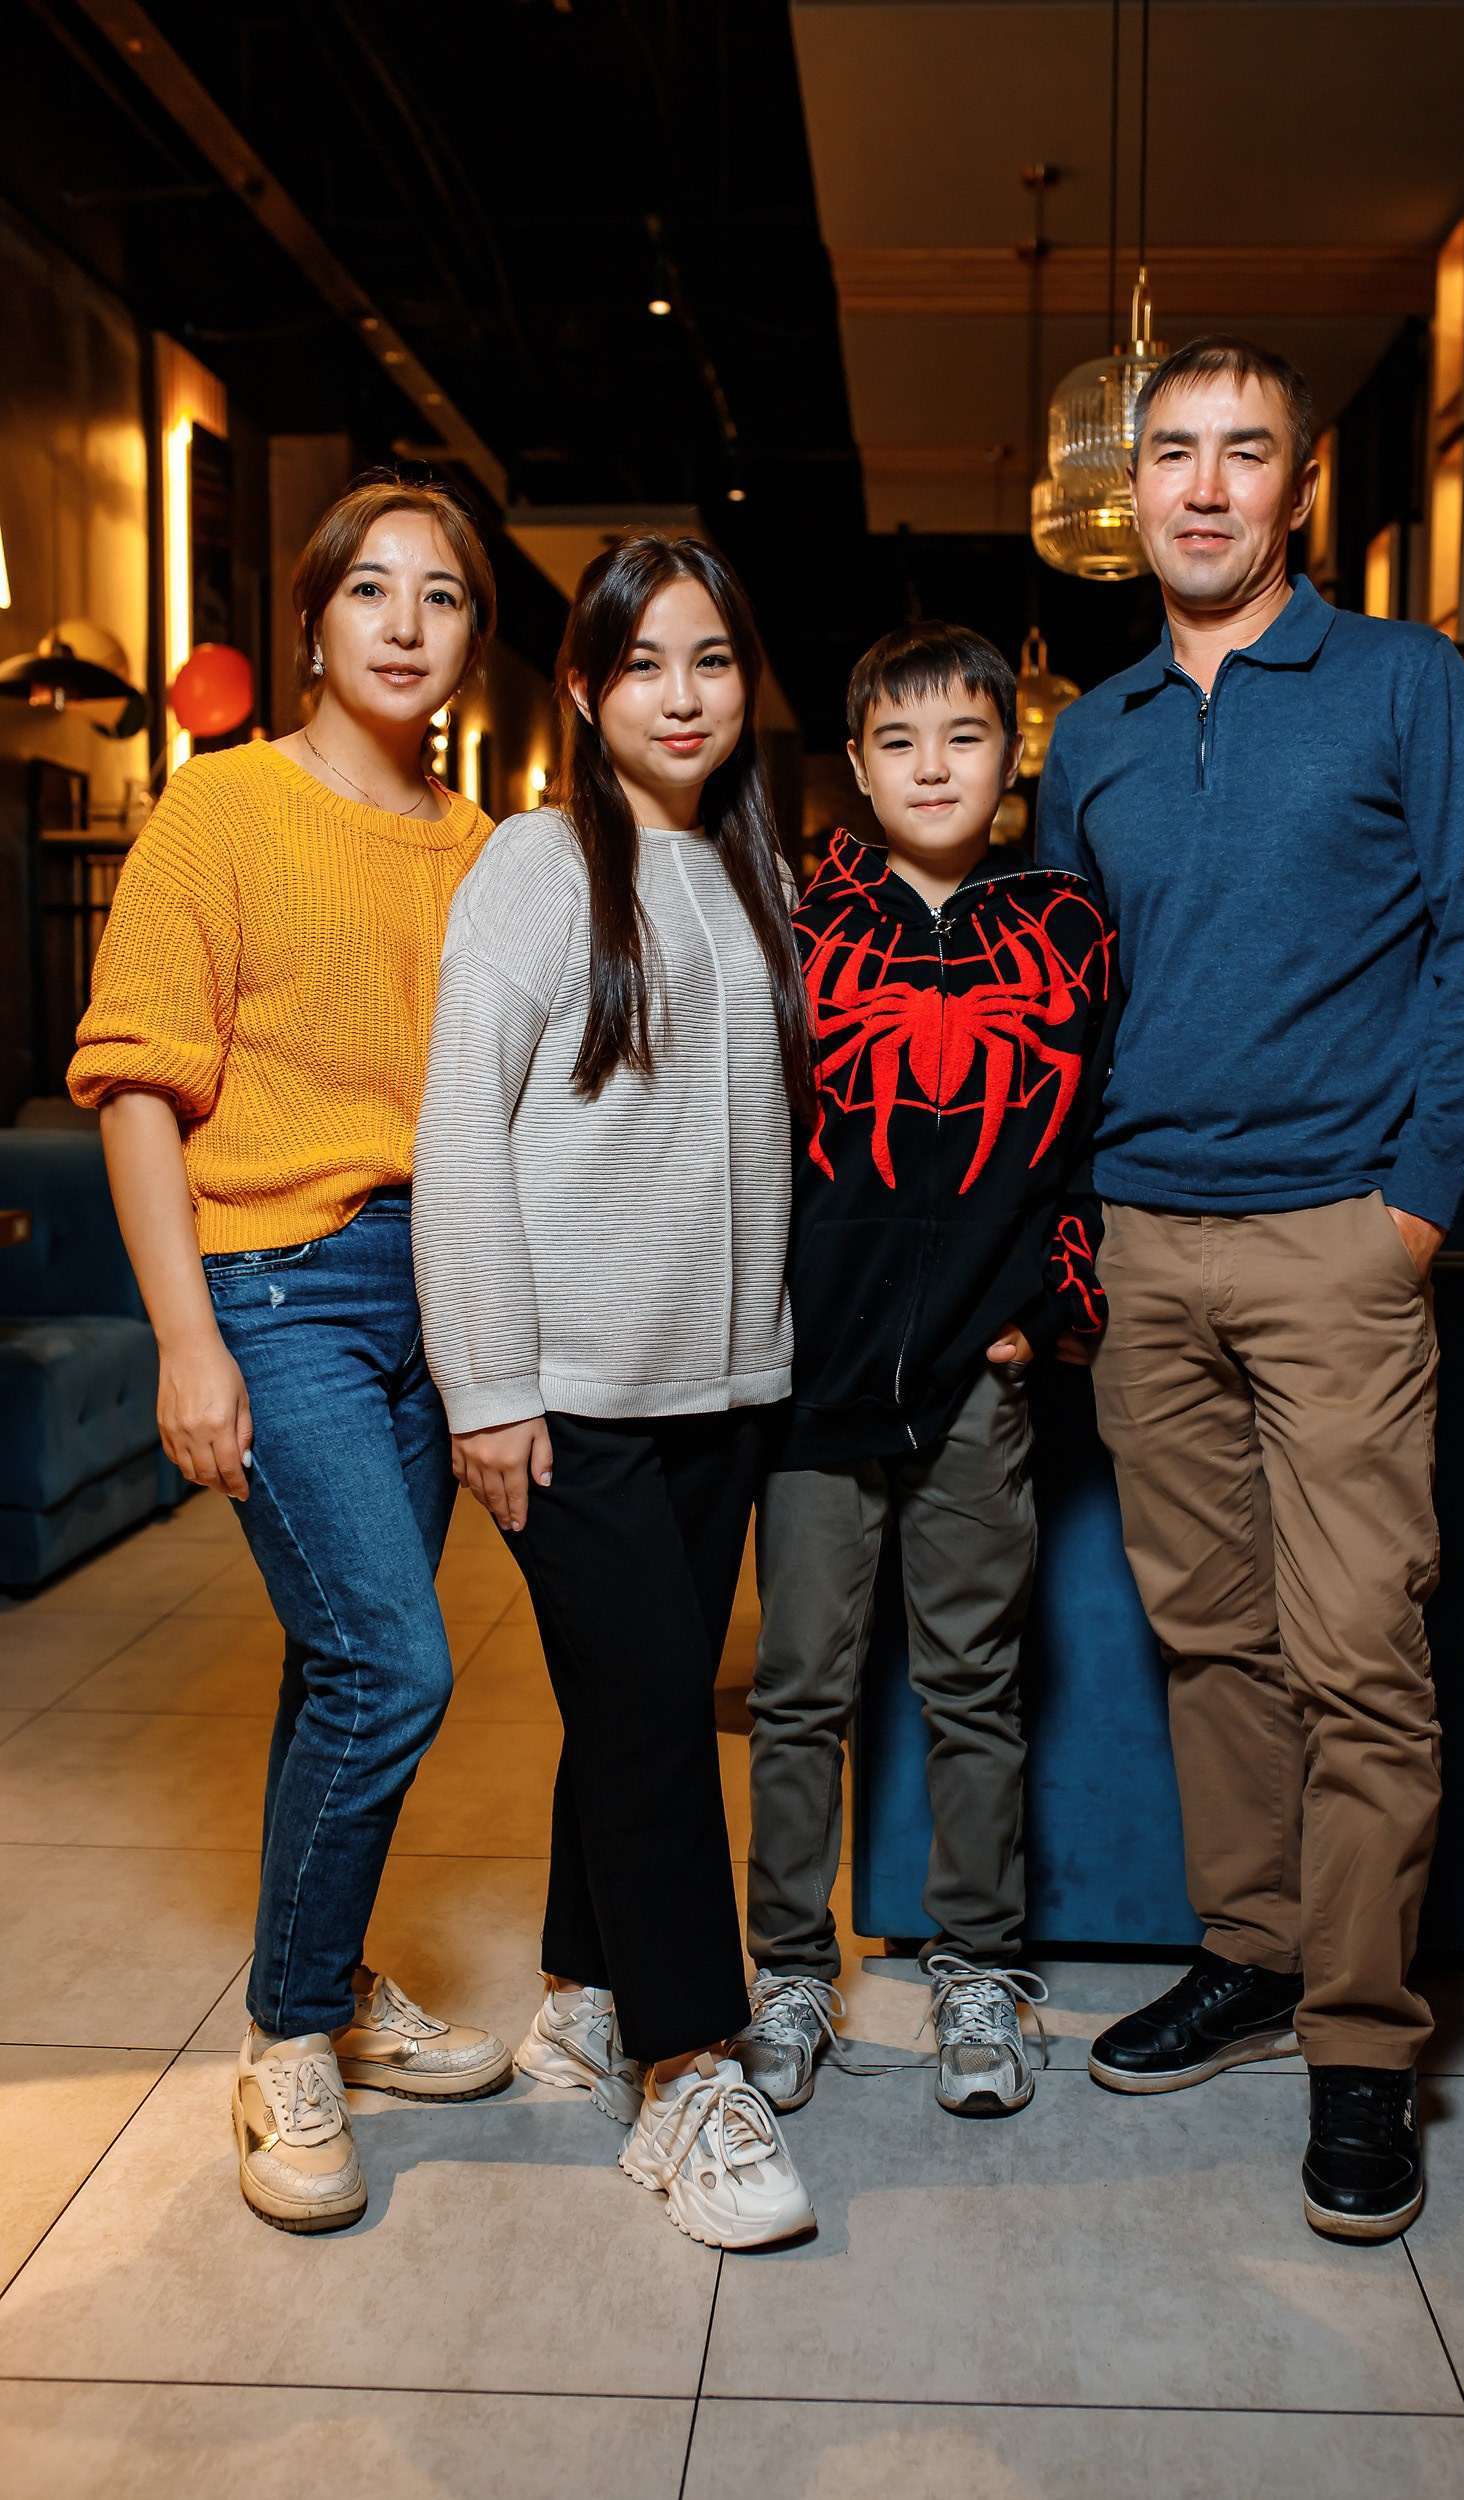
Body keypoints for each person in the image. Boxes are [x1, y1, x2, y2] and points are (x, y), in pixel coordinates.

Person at [1036, 337, 1464, 2241]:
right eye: (1172, 452)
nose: (1202, 486)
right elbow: (1057, 1003)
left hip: (1339, 1236)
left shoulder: (1406, 683)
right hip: (1144, 1244)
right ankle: (1252, 1956)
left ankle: (1363, 2044)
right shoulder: (1090, 736)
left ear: (1298, 488)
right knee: (1212, 1638)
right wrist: (1066, 1234)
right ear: (1134, 488)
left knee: (1360, 1652)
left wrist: (1412, 1209)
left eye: (1242, 452)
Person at [69, 474, 514, 2235]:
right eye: (372, 590)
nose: (407, 623)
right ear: (316, 620)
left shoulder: (484, 851)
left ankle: (326, 1986)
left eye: (445, 595)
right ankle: (286, 2038)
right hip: (279, 1287)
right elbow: (136, 1084)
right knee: (395, 1666)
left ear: (475, 639)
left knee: (337, 1660)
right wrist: (185, 1337)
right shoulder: (223, 806)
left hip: (441, 1296)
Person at [412, 532, 818, 2250]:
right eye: (643, 662)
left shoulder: (754, 869)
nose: (682, 694)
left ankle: (585, 1990)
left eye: (711, 659)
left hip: (725, 1389)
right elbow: (457, 1135)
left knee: (629, 1705)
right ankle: (689, 2069)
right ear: (583, 688)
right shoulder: (532, 867)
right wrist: (488, 1385)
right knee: (656, 1716)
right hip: (567, 1393)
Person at [733, 622, 1114, 2121]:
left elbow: (1093, 1136)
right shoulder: (799, 924)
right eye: (899, 743)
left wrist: (1050, 1300)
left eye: (964, 737)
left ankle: (977, 1969)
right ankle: (788, 1972)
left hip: (976, 1377)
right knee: (798, 1689)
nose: (933, 767)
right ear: (857, 765)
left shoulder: (1067, 926)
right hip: (813, 1376)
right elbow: (745, 1134)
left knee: (975, 1682)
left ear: (1012, 755)